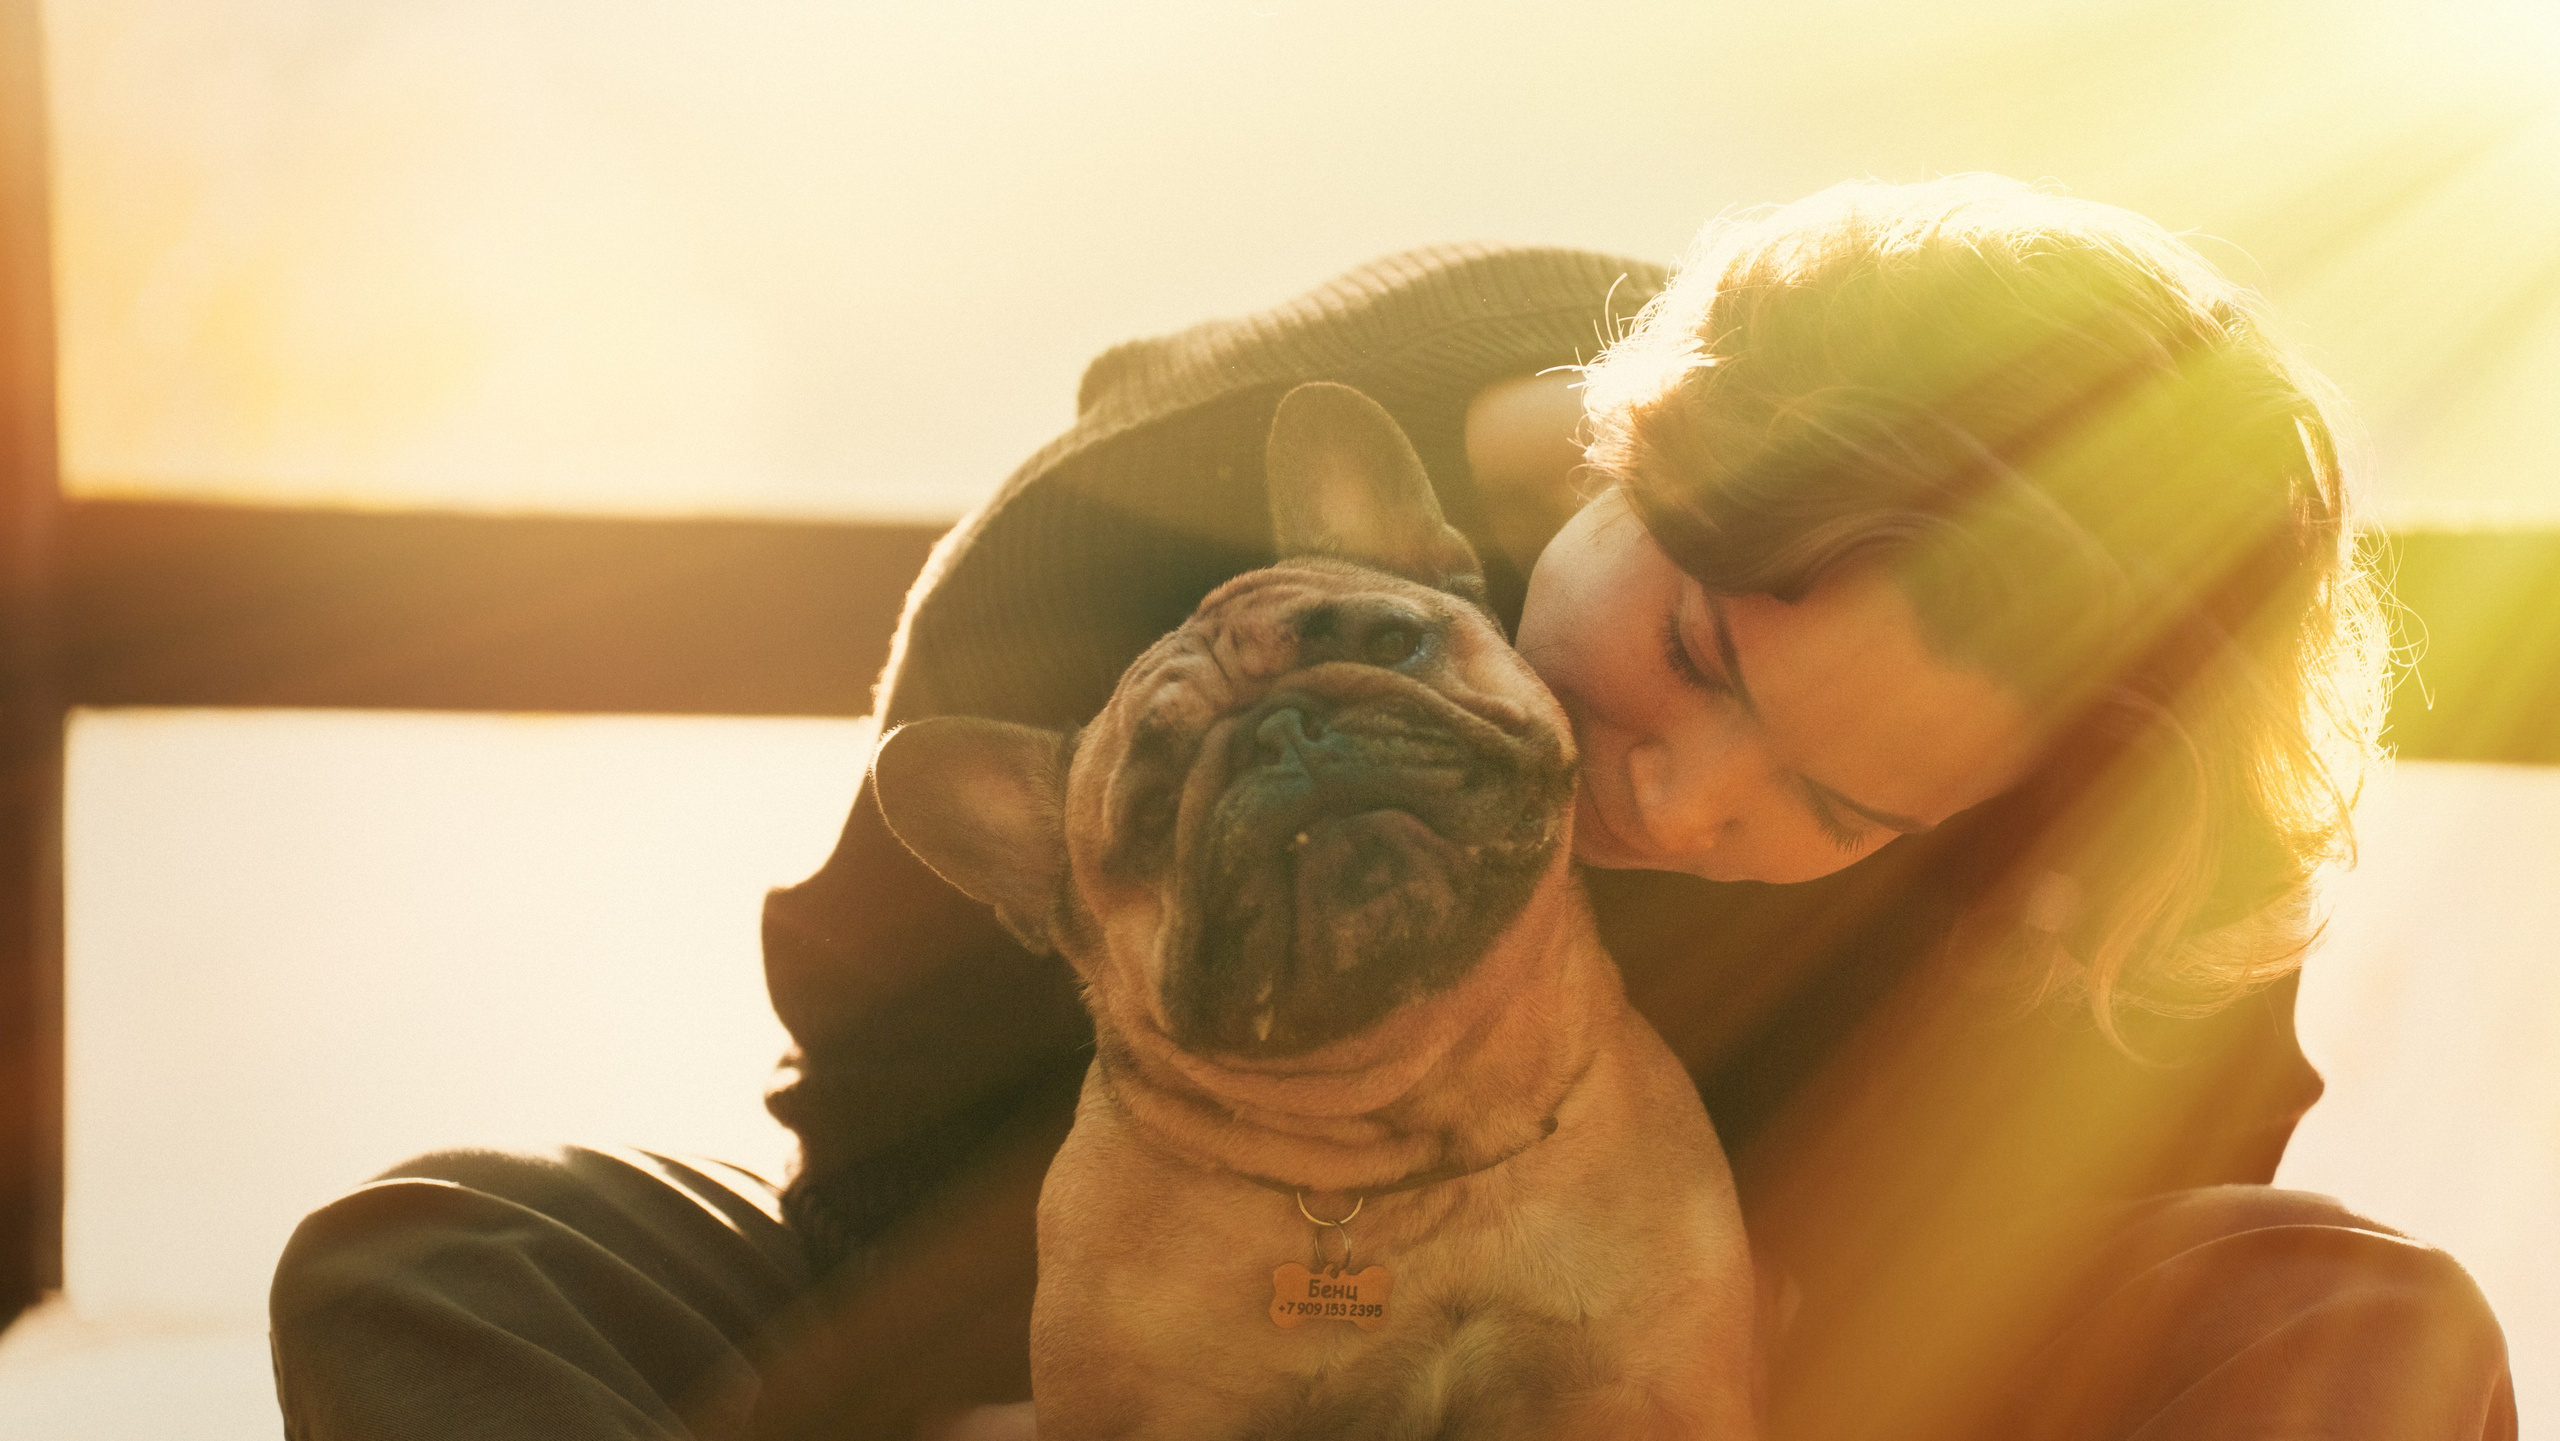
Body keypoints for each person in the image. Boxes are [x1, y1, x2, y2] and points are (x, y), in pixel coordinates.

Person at [270, 176, 2516, 1441]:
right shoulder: (1150, 517)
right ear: (1614, 440)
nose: (1677, 786)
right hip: (1094, 1348)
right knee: (445, 1255)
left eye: (1831, 802)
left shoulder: (2108, 833)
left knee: (2347, 1328)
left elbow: (2105, 1241)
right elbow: (874, 1124)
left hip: (1756, 1379)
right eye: (1703, 650)